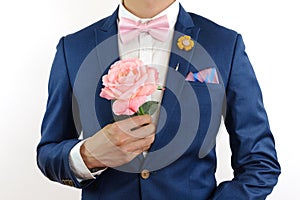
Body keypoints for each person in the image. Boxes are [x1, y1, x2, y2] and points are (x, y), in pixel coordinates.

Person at [37, 0, 281, 199]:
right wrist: (88, 155)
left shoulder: (224, 44)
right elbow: (48, 153)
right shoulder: (73, 48)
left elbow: (260, 163)